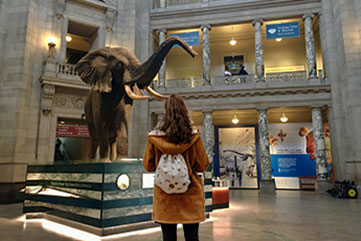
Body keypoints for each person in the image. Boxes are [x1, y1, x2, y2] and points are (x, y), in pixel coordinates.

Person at [143, 94, 209, 241]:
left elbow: (148, 165)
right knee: (192, 237)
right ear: (184, 111)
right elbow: (202, 165)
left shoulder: (155, 137)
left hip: (165, 197)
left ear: (165, 112)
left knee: (168, 237)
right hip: (190, 195)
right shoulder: (194, 135)